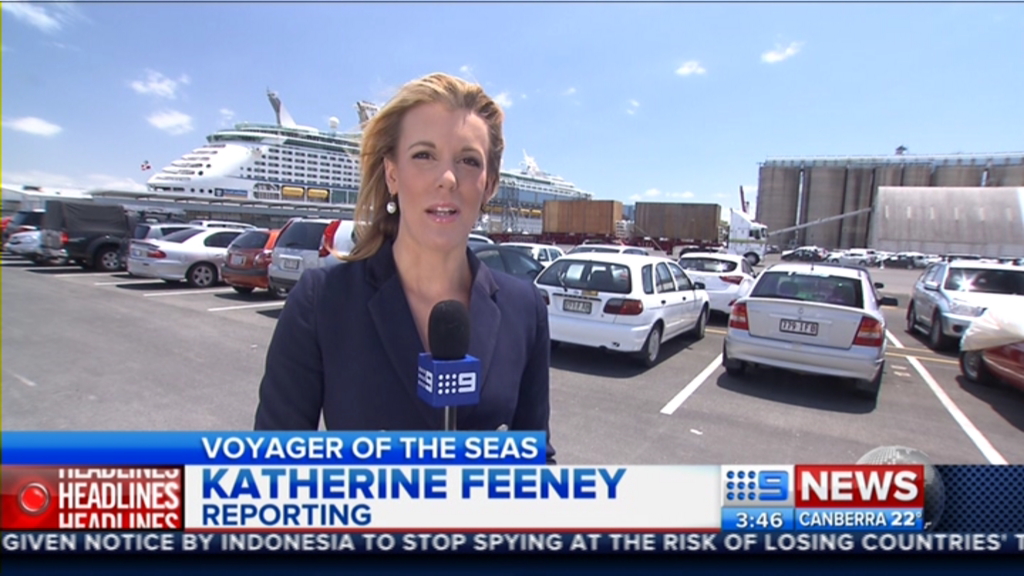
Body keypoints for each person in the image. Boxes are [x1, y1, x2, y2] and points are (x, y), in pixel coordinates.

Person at [254, 72, 555, 463]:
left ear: (489, 185)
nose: (447, 179)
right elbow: (273, 466)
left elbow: (537, 460)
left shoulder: (524, 308)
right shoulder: (322, 301)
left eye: (468, 160)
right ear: (392, 174)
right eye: (424, 155)